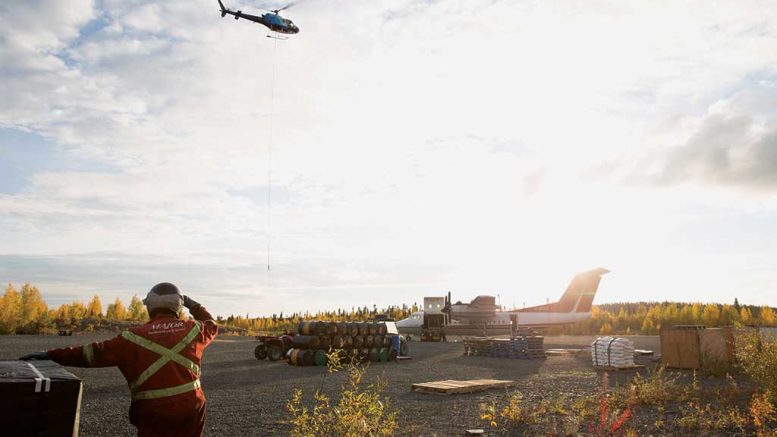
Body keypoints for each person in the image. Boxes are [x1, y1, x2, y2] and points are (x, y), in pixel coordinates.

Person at [20, 283, 218, 437]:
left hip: (154, 413)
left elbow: (89, 353)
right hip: (192, 408)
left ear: (150, 306)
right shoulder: (194, 330)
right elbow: (212, 324)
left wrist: (50, 354)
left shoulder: (131, 338)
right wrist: (194, 305)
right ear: (178, 306)